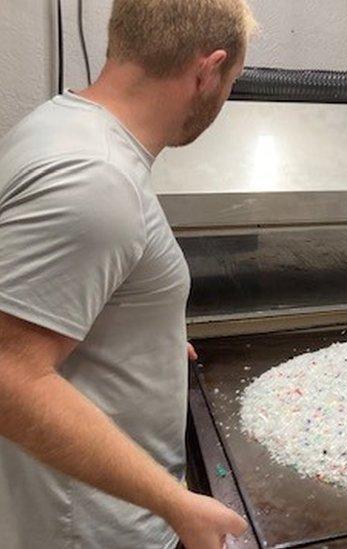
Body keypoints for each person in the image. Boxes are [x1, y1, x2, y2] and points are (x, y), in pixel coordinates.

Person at [0, 1, 257, 547]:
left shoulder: (63, 122)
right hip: (91, 528)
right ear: (207, 70)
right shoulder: (96, 179)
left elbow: (50, 301)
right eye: (231, 82)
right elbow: (8, 376)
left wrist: (148, 338)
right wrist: (175, 504)